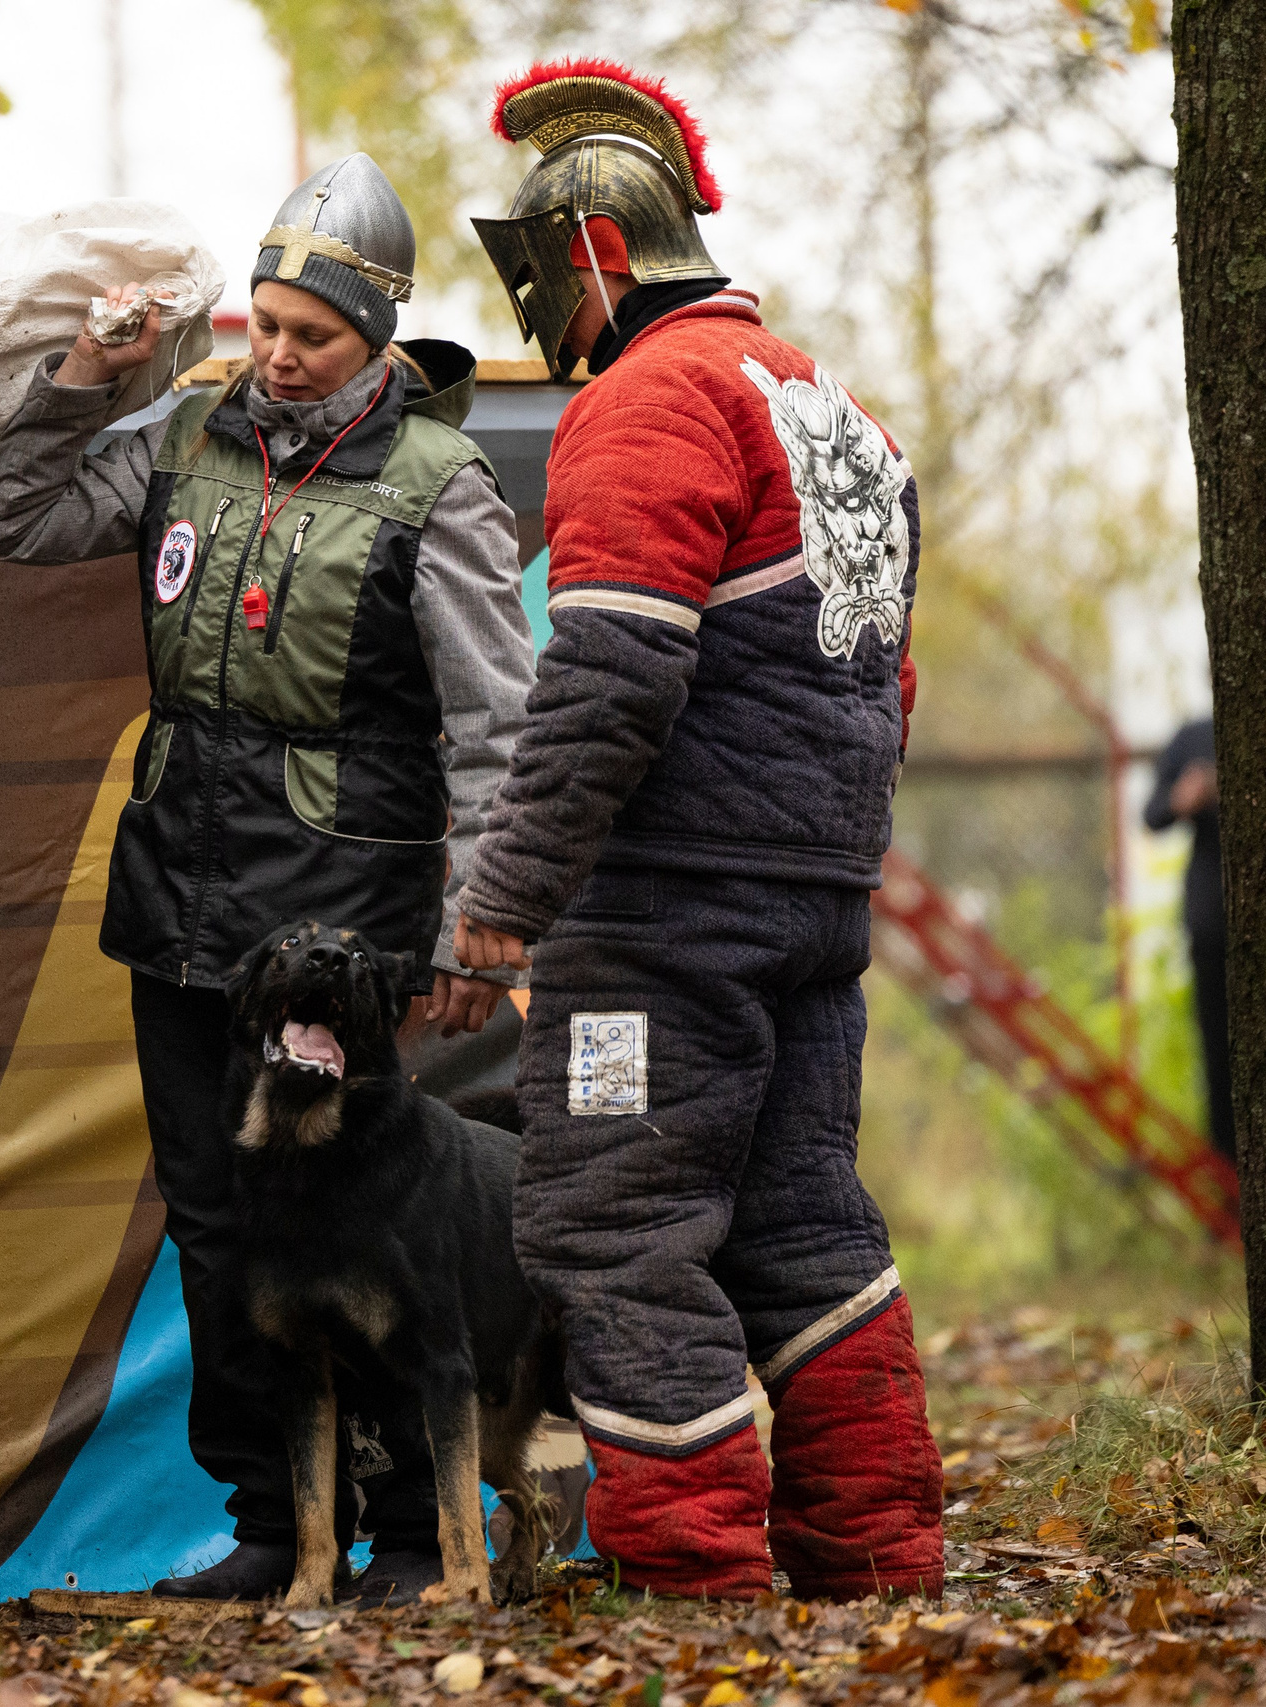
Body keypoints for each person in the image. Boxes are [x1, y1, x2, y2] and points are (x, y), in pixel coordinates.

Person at [0, 155, 535, 1605]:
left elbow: (494, 723)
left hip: (354, 922)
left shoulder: (437, 486)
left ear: (377, 343)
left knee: (391, 1228)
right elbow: (18, 522)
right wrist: (83, 377)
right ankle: (278, 1526)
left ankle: (419, 1533)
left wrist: (489, 915)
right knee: (219, 1216)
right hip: (182, 904)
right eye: (266, 324)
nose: (279, 356)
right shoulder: (185, 436)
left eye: (314, 336)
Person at [451, 59, 941, 1600]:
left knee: (617, 1226)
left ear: (590, 254)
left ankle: (692, 1593)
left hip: (664, 922)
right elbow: (891, 677)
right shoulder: (836, 411)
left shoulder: (646, 402)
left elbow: (612, 667)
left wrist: (505, 893)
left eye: (544, 276)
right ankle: (878, 1558)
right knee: (804, 1221)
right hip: (812, 902)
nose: (549, 314)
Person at [1143, 717, 1230, 1157]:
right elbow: (1152, 814)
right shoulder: (1194, 737)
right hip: (1211, 922)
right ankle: (1227, 1181)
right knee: (1217, 1054)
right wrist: (1185, 798)